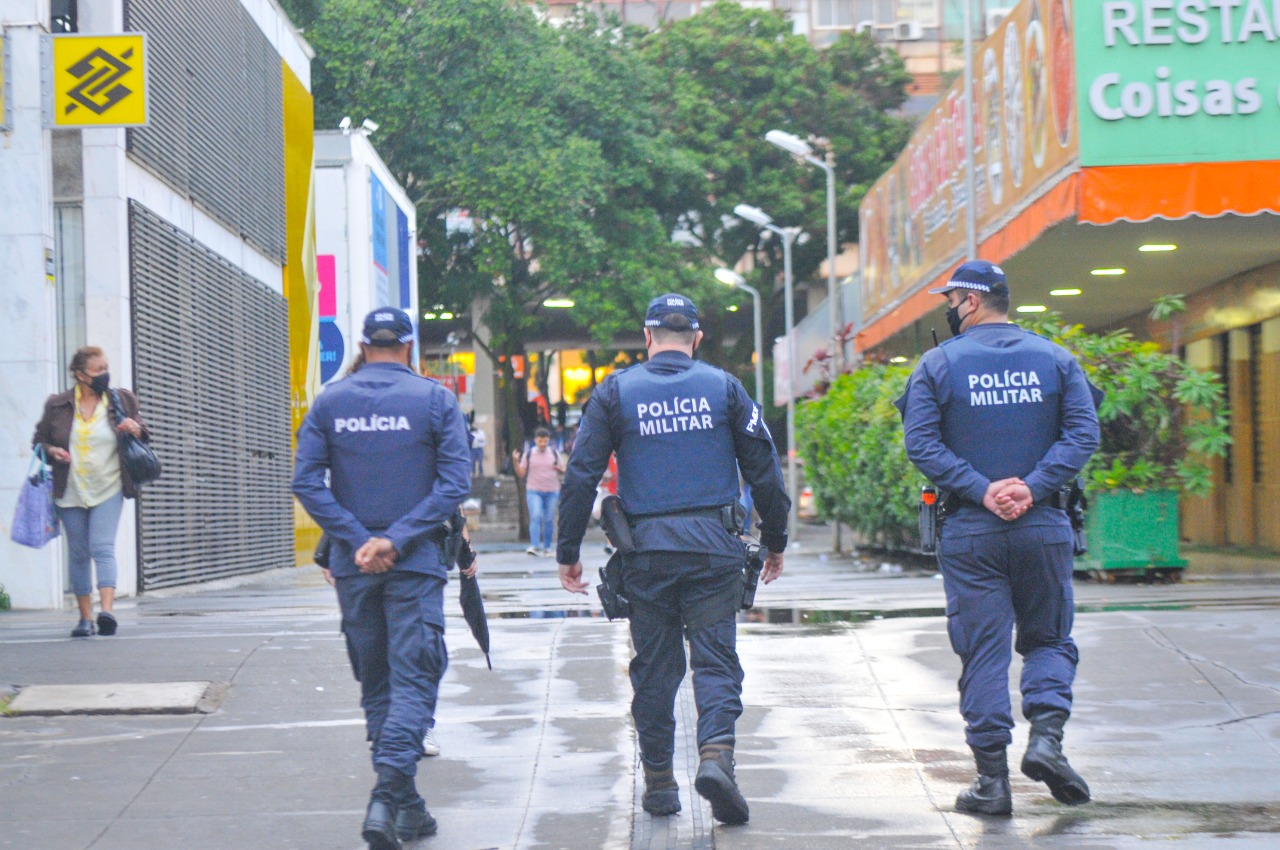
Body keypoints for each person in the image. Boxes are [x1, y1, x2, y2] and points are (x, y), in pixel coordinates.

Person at [556, 293, 789, 825]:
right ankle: (716, 757)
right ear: (697, 340)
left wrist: (567, 550)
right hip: (713, 550)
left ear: (647, 336)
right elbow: (766, 473)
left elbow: (580, 475)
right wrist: (775, 539)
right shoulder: (725, 388)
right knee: (715, 661)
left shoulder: (615, 392)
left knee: (656, 670)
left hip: (646, 554)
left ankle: (660, 782)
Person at [897, 260, 1100, 816]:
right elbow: (1084, 432)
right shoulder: (1056, 359)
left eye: (951, 298)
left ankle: (992, 783)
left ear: (969, 301)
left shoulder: (937, 364)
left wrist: (983, 489)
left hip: (971, 530)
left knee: (983, 651)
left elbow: (922, 444)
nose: (948, 307)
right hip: (1043, 525)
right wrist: (1031, 489)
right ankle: (1046, 742)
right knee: (1049, 640)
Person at [292, 307, 471, 849]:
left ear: (366, 345)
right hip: (412, 564)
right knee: (413, 679)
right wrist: (395, 537)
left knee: (377, 683)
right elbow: (454, 483)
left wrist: (354, 538)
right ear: (410, 347)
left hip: (355, 566)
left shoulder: (331, 402)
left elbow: (306, 481)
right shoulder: (435, 399)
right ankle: (388, 795)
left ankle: (405, 806)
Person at [32, 346, 149, 638]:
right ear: (80, 374)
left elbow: (146, 434)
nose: (104, 374)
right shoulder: (58, 404)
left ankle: (106, 612)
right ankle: (85, 618)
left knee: (102, 546)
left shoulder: (121, 399)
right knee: (80, 552)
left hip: (109, 485)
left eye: (105, 367)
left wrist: (136, 428)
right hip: (70, 487)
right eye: (98, 370)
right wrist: (53, 451)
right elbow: (39, 441)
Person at [512, 427, 564, 557]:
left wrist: (558, 468)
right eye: (540, 441)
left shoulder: (554, 453)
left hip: (552, 491)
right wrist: (515, 461)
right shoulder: (529, 454)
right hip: (534, 490)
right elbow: (521, 473)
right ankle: (534, 545)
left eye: (545, 441)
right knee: (535, 516)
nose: (543, 444)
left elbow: (564, 469)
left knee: (548, 518)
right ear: (535, 440)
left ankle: (547, 547)